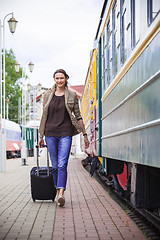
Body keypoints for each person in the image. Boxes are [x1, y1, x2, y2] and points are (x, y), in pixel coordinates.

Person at [38, 69, 89, 207]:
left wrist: (85, 135)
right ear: (54, 79)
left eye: (62, 78)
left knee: (62, 164)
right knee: (55, 166)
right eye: (57, 78)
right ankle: (57, 189)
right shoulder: (48, 94)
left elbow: (78, 116)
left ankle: (61, 193)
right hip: (50, 134)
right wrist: (41, 136)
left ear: (66, 78)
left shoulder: (72, 95)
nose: (59, 80)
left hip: (65, 133)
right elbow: (44, 116)